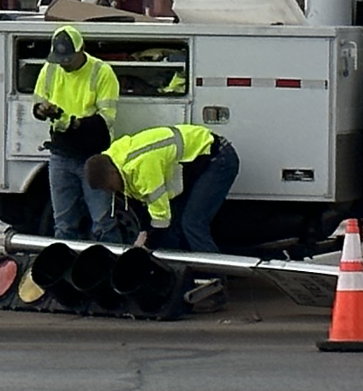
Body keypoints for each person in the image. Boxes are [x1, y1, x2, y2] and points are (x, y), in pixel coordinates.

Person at [85, 123, 239, 254]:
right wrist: (144, 231)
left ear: (112, 173)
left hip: (218, 158)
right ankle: (181, 278)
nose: (112, 192)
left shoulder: (141, 168)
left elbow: (161, 220)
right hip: (199, 163)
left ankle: (213, 280)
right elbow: (144, 207)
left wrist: (146, 248)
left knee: (192, 224)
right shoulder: (116, 162)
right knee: (176, 227)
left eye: (111, 187)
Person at [32, 24, 122, 242]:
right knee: (63, 224)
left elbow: (106, 118)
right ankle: (65, 271)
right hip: (61, 154)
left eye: (68, 58)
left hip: (93, 157)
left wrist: (75, 124)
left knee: (103, 222)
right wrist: (41, 110)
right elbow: (37, 102)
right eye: (59, 58)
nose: (63, 63)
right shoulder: (51, 69)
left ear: (81, 50)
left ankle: (111, 269)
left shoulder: (101, 72)